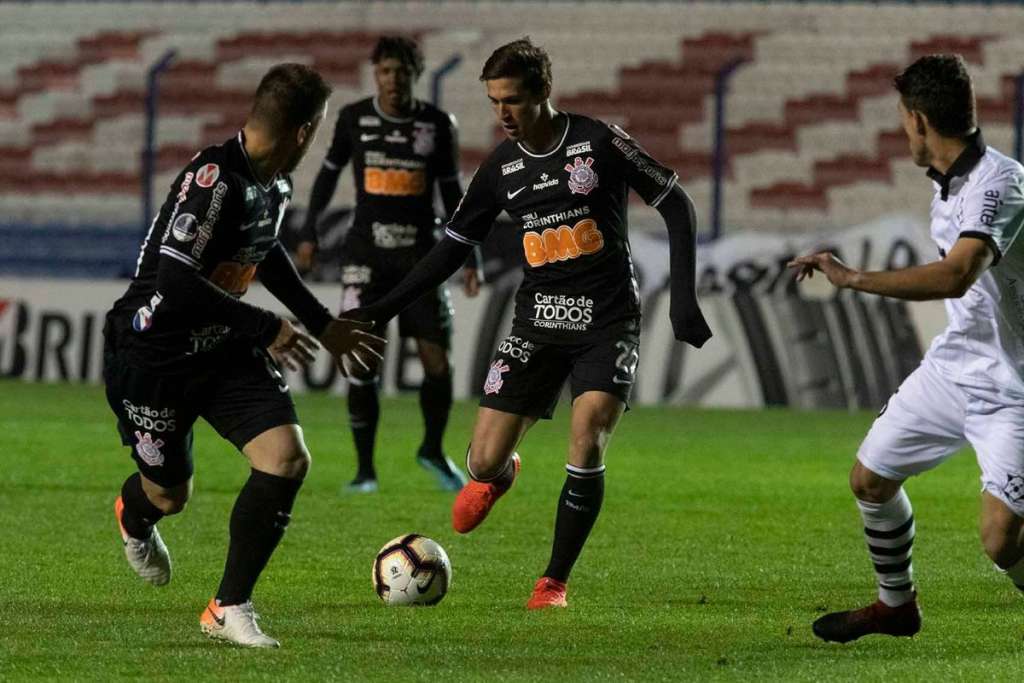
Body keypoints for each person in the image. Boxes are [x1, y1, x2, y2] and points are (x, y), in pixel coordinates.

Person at [351, 38, 711, 609]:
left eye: (513, 100)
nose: (503, 114)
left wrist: (683, 299)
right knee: (481, 460)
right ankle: (499, 473)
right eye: (495, 102)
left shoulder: (599, 142)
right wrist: (382, 307)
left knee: (588, 435)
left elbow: (676, 202)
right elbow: (450, 249)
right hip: (537, 322)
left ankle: (553, 583)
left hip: (607, 320)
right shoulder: (501, 167)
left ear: (544, 91)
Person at [103, 63, 385, 648]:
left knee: (286, 458)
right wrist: (264, 327)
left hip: (221, 347)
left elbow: (266, 250)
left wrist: (321, 323)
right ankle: (135, 514)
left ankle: (228, 605)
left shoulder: (273, 181)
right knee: (167, 495)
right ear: (305, 130)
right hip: (154, 353)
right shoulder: (215, 180)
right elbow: (176, 281)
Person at [789, 54, 1024, 643]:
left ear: (919, 121)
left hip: (1016, 388)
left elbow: (955, 276)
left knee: (1000, 542)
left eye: (902, 121)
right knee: (870, 479)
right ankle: (896, 607)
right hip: (955, 369)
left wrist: (853, 278)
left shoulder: (1001, 183)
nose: (903, 133)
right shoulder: (949, 187)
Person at [295, 36, 480, 494]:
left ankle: (433, 450)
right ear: (375, 74)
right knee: (361, 360)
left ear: (415, 75)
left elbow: (454, 194)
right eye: (385, 71)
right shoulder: (354, 118)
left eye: (401, 71)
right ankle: (364, 472)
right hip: (366, 258)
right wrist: (309, 230)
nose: (393, 79)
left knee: (438, 362)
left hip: (421, 258)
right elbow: (328, 174)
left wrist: (470, 255)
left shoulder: (437, 125)